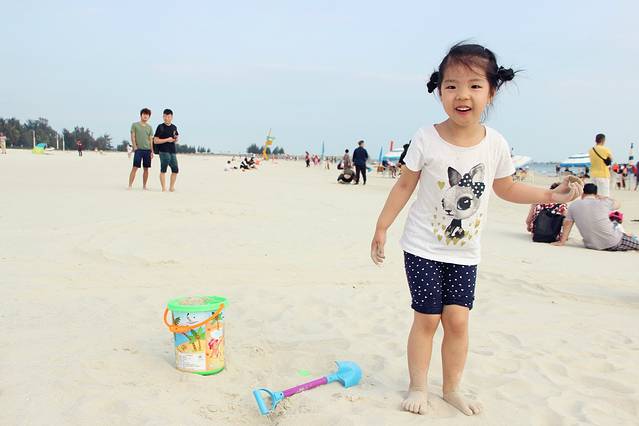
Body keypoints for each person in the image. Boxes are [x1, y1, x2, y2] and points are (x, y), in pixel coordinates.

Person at [369, 43, 583, 417]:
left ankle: (451, 388)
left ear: (491, 91)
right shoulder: (425, 138)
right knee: (427, 318)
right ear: (439, 91)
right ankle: (418, 386)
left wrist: (550, 194)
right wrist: (382, 226)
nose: (462, 95)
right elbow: (404, 185)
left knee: (458, 320)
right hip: (422, 246)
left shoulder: (495, 143)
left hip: (465, 253)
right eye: (451, 86)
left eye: (474, 85)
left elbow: (507, 188)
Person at [554, 183, 638, 251]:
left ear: (582, 193)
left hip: (591, 245)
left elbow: (567, 224)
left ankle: (628, 235)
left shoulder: (574, 205)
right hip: (613, 242)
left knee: (618, 230)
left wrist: (562, 242)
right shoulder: (604, 202)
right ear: (596, 194)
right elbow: (618, 204)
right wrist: (604, 197)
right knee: (631, 240)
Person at [153, 109, 179, 192]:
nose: (166, 118)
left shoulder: (174, 127)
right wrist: (167, 139)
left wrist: (176, 139)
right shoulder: (160, 127)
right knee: (163, 170)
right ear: (163, 116)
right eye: (165, 116)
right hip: (163, 151)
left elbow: (176, 138)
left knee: (175, 170)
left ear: (172, 117)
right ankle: (163, 188)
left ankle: (171, 187)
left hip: (172, 151)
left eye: (168, 117)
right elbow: (155, 140)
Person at [128, 108, 154, 190]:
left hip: (147, 150)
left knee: (146, 169)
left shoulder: (150, 127)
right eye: (144, 114)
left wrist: (152, 151)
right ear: (141, 115)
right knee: (135, 167)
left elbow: (151, 140)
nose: (145, 116)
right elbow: (133, 136)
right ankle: (130, 185)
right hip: (138, 150)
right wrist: (135, 146)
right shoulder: (135, 125)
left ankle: (144, 186)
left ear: (149, 116)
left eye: (147, 115)